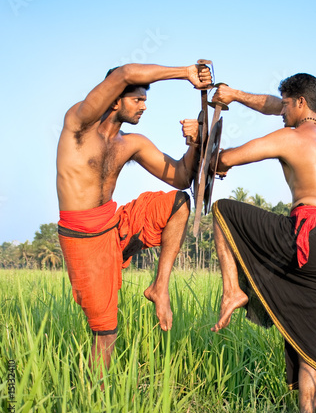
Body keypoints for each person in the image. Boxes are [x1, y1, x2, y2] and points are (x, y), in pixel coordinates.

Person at [210, 74, 316, 413]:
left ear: (300, 102)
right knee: (311, 341)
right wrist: (236, 95)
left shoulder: (290, 138)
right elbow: (275, 107)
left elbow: (224, 161)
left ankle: (234, 290)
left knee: (224, 211)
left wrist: (200, 142)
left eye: (285, 104)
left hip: (310, 235)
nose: (280, 111)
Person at [57, 62, 212, 376]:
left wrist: (195, 142)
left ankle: (159, 287)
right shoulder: (78, 124)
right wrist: (185, 72)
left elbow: (182, 177)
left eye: (145, 99)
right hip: (84, 239)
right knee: (106, 333)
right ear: (115, 99)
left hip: (114, 224)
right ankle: (93, 405)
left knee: (178, 204)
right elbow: (125, 74)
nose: (144, 106)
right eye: (137, 100)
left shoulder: (131, 143)